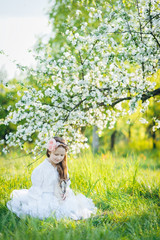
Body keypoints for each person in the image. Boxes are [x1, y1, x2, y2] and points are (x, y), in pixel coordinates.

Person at [7, 136, 97, 220]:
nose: (58, 158)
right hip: (45, 196)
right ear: (49, 152)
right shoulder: (41, 169)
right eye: (56, 154)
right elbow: (36, 187)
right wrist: (34, 202)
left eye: (62, 155)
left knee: (74, 210)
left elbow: (65, 183)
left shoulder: (62, 167)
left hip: (59, 196)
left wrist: (66, 192)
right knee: (48, 212)